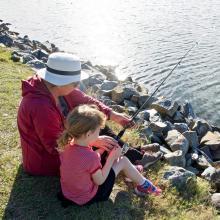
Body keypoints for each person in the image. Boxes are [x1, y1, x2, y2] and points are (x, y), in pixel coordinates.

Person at [17, 52, 161, 176]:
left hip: (58, 143)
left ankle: (132, 153)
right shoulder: (40, 106)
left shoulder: (50, 86)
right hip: (44, 163)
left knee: (94, 121)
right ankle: (132, 160)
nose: (77, 86)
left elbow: (87, 101)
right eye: (74, 83)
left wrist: (114, 115)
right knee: (93, 135)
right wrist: (91, 141)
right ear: (61, 82)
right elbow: (55, 147)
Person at [58, 105, 162, 206]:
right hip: (89, 196)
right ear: (89, 134)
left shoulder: (67, 145)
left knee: (113, 160)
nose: (99, 134)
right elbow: (99, 181)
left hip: (69, 193)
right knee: (123, 160)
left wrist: (102, 150)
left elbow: (84, 162)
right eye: (98, 131)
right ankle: (143, 185)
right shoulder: (91, 158)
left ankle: (132, 171)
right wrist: (111, 158)